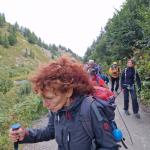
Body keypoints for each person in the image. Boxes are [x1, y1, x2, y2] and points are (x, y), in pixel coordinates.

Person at [9, 56, 119, 150]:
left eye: (49, 98)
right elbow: (50, 131)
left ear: (68, 91)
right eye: (43, 98)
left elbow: (109, 146)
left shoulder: (90, 109)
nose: (45, 104)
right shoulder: (57, 110)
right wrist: (25, 135)